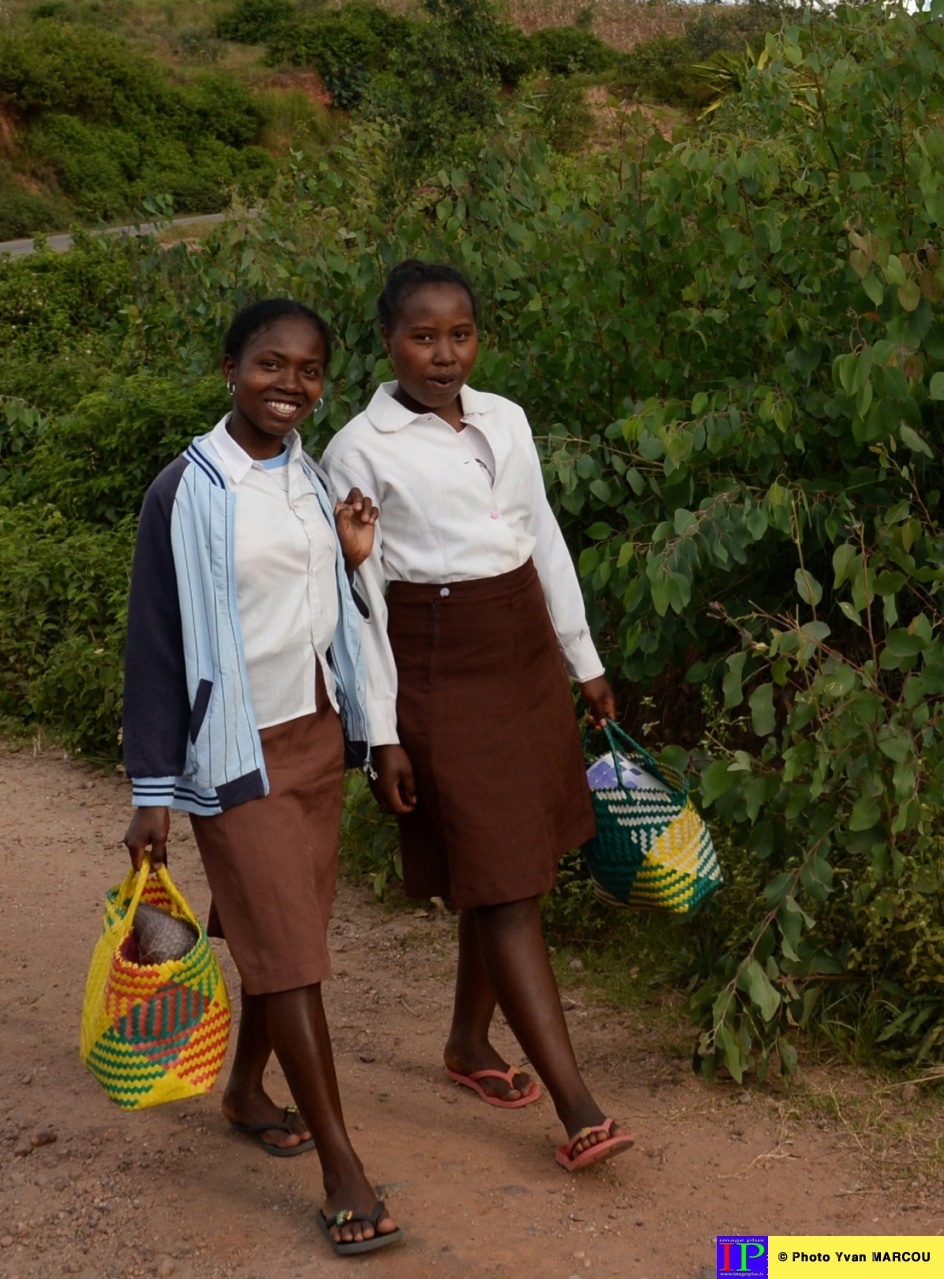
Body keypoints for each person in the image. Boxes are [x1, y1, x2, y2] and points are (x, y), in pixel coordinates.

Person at [323, 260, 634, 1172]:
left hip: (525, 646)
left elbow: (542, 536)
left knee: (513, 868)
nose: (444, 354)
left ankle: (466, 1042)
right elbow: (365, 601)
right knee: (501, 883)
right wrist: (381, 732)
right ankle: (579, 1107)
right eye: (423, 336)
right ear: (387, 341)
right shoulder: (357, 449)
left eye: (460, 334)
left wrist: (585, 661)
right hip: (438, 659)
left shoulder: (507, 418)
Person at [121, 298, 402, 1255]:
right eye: (269, 364)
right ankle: (343, 1167)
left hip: (316, 736)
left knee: (281, 938)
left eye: (310, 369)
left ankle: (243, 1088)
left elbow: (327, 608)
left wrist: (352, 558)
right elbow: (155, 644)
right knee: (292, 954)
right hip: (232, 753)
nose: (290, 385)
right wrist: (152, 787)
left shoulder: (312, 480)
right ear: (229, 365)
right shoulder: (189, 489)